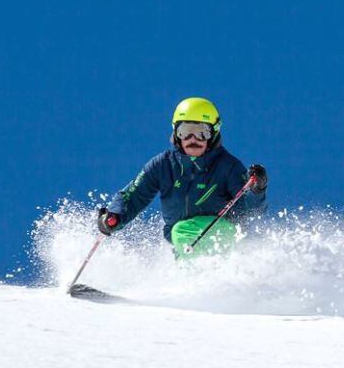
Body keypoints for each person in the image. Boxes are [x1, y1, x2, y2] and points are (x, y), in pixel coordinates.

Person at [98, 97, 267, 257]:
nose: (193, 139)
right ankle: (188, 285)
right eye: (185, 132)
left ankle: (205, 280)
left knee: (181, 231)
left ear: (213, 134)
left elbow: (248, 208)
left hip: (223, 235)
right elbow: (133, 196)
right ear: (176, 133)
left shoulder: (227, 167)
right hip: (184, 242)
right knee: (179, 237)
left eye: (202, 133)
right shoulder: (163, 165)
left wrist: (257, 189)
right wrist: (114, 215)